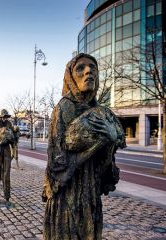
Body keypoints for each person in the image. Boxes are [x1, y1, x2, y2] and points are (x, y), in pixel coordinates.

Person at [42, 53, 125, 240]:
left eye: (92, 67)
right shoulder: (64, 108)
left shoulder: (101, 112)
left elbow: (103, 169)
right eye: (80, 68)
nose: (88, 71)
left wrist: (110, 144)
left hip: (90, 195)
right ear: (70, 77)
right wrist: (97, 145)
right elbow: (58, 164)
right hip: (67, 197)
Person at [0, 109, 14, 206]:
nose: (5, 118)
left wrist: (11, 141)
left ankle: (7, 197)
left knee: (6, 173)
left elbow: (12, 138)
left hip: (6, 150)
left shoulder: (9, 123)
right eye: (3, 116)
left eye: (6, 116)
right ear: (1, 116)